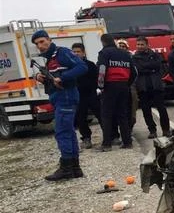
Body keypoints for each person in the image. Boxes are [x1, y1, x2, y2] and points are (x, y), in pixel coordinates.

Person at [30, 30, 87, 180]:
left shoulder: (61, 53)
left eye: (42, 41)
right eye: (37, 44)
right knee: (68, 131)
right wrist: (41, 78)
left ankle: (66, 168)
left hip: (66, 96)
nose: (40, 46)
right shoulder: (49, 59)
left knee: (61, 132)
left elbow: (82, 67)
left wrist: (62, 78)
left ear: (49, 39)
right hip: (59, 97)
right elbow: (54, 76)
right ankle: (75, 168)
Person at [97, 33, 136, 151]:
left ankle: (107, 144)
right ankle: (127, 142)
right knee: (123, 115)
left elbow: (102, 70)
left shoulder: (104, 53)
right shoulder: (125, 53)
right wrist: (127, 84)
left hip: (109, 86)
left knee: (106, 115)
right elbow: (134, 72)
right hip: (124, 86)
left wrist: (100, 86)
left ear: (103, 42)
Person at [133, 36, 171, 138]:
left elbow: (157, 66)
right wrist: (150, 68)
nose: (139, 46)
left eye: (142, 44)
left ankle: (166, 130)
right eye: (138, 44)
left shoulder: (156, 55)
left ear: (147, 45)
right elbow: (139, 69)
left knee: (162, 109)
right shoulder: (134, 58)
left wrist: (146, 67)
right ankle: (152, 130)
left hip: (156, 86)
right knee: (146, 110)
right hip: (143, 88)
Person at [71, 42, 101, 150]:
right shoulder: (70, 67)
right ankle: (86, 138)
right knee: (80, 118)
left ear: (83, 53)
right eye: (74, 52)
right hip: (78, 96)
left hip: (91, 94)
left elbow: (96, 79)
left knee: (100, 115)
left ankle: (110, 136)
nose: (76, 54)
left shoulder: (90, 65)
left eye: (78, 52)